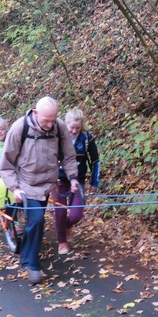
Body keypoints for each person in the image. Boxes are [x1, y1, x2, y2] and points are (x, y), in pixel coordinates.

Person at [0, 96, 79, 284]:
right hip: (26, 183)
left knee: (35, 223)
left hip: (47, 183)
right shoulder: (20, 128)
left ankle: (26, 257)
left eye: (52, 120)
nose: (49, 124)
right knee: (37, 220)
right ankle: (32, 265)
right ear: (35, 113)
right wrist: (15, 188)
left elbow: (68, 156)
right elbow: (6, 163)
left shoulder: (59, 127)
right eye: (45, 120)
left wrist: (73, 178)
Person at [53, 107, 100, 255]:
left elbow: (95, 160)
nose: (74, 131)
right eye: (71, 127)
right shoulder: (56, 137)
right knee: (60, 212)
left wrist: (94, 182)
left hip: (78, 179)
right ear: (66, 124)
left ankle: (67, 226)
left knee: (76, 214)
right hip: (58, 180)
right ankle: (62, 242)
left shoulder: (86, 139)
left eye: (77, 128)